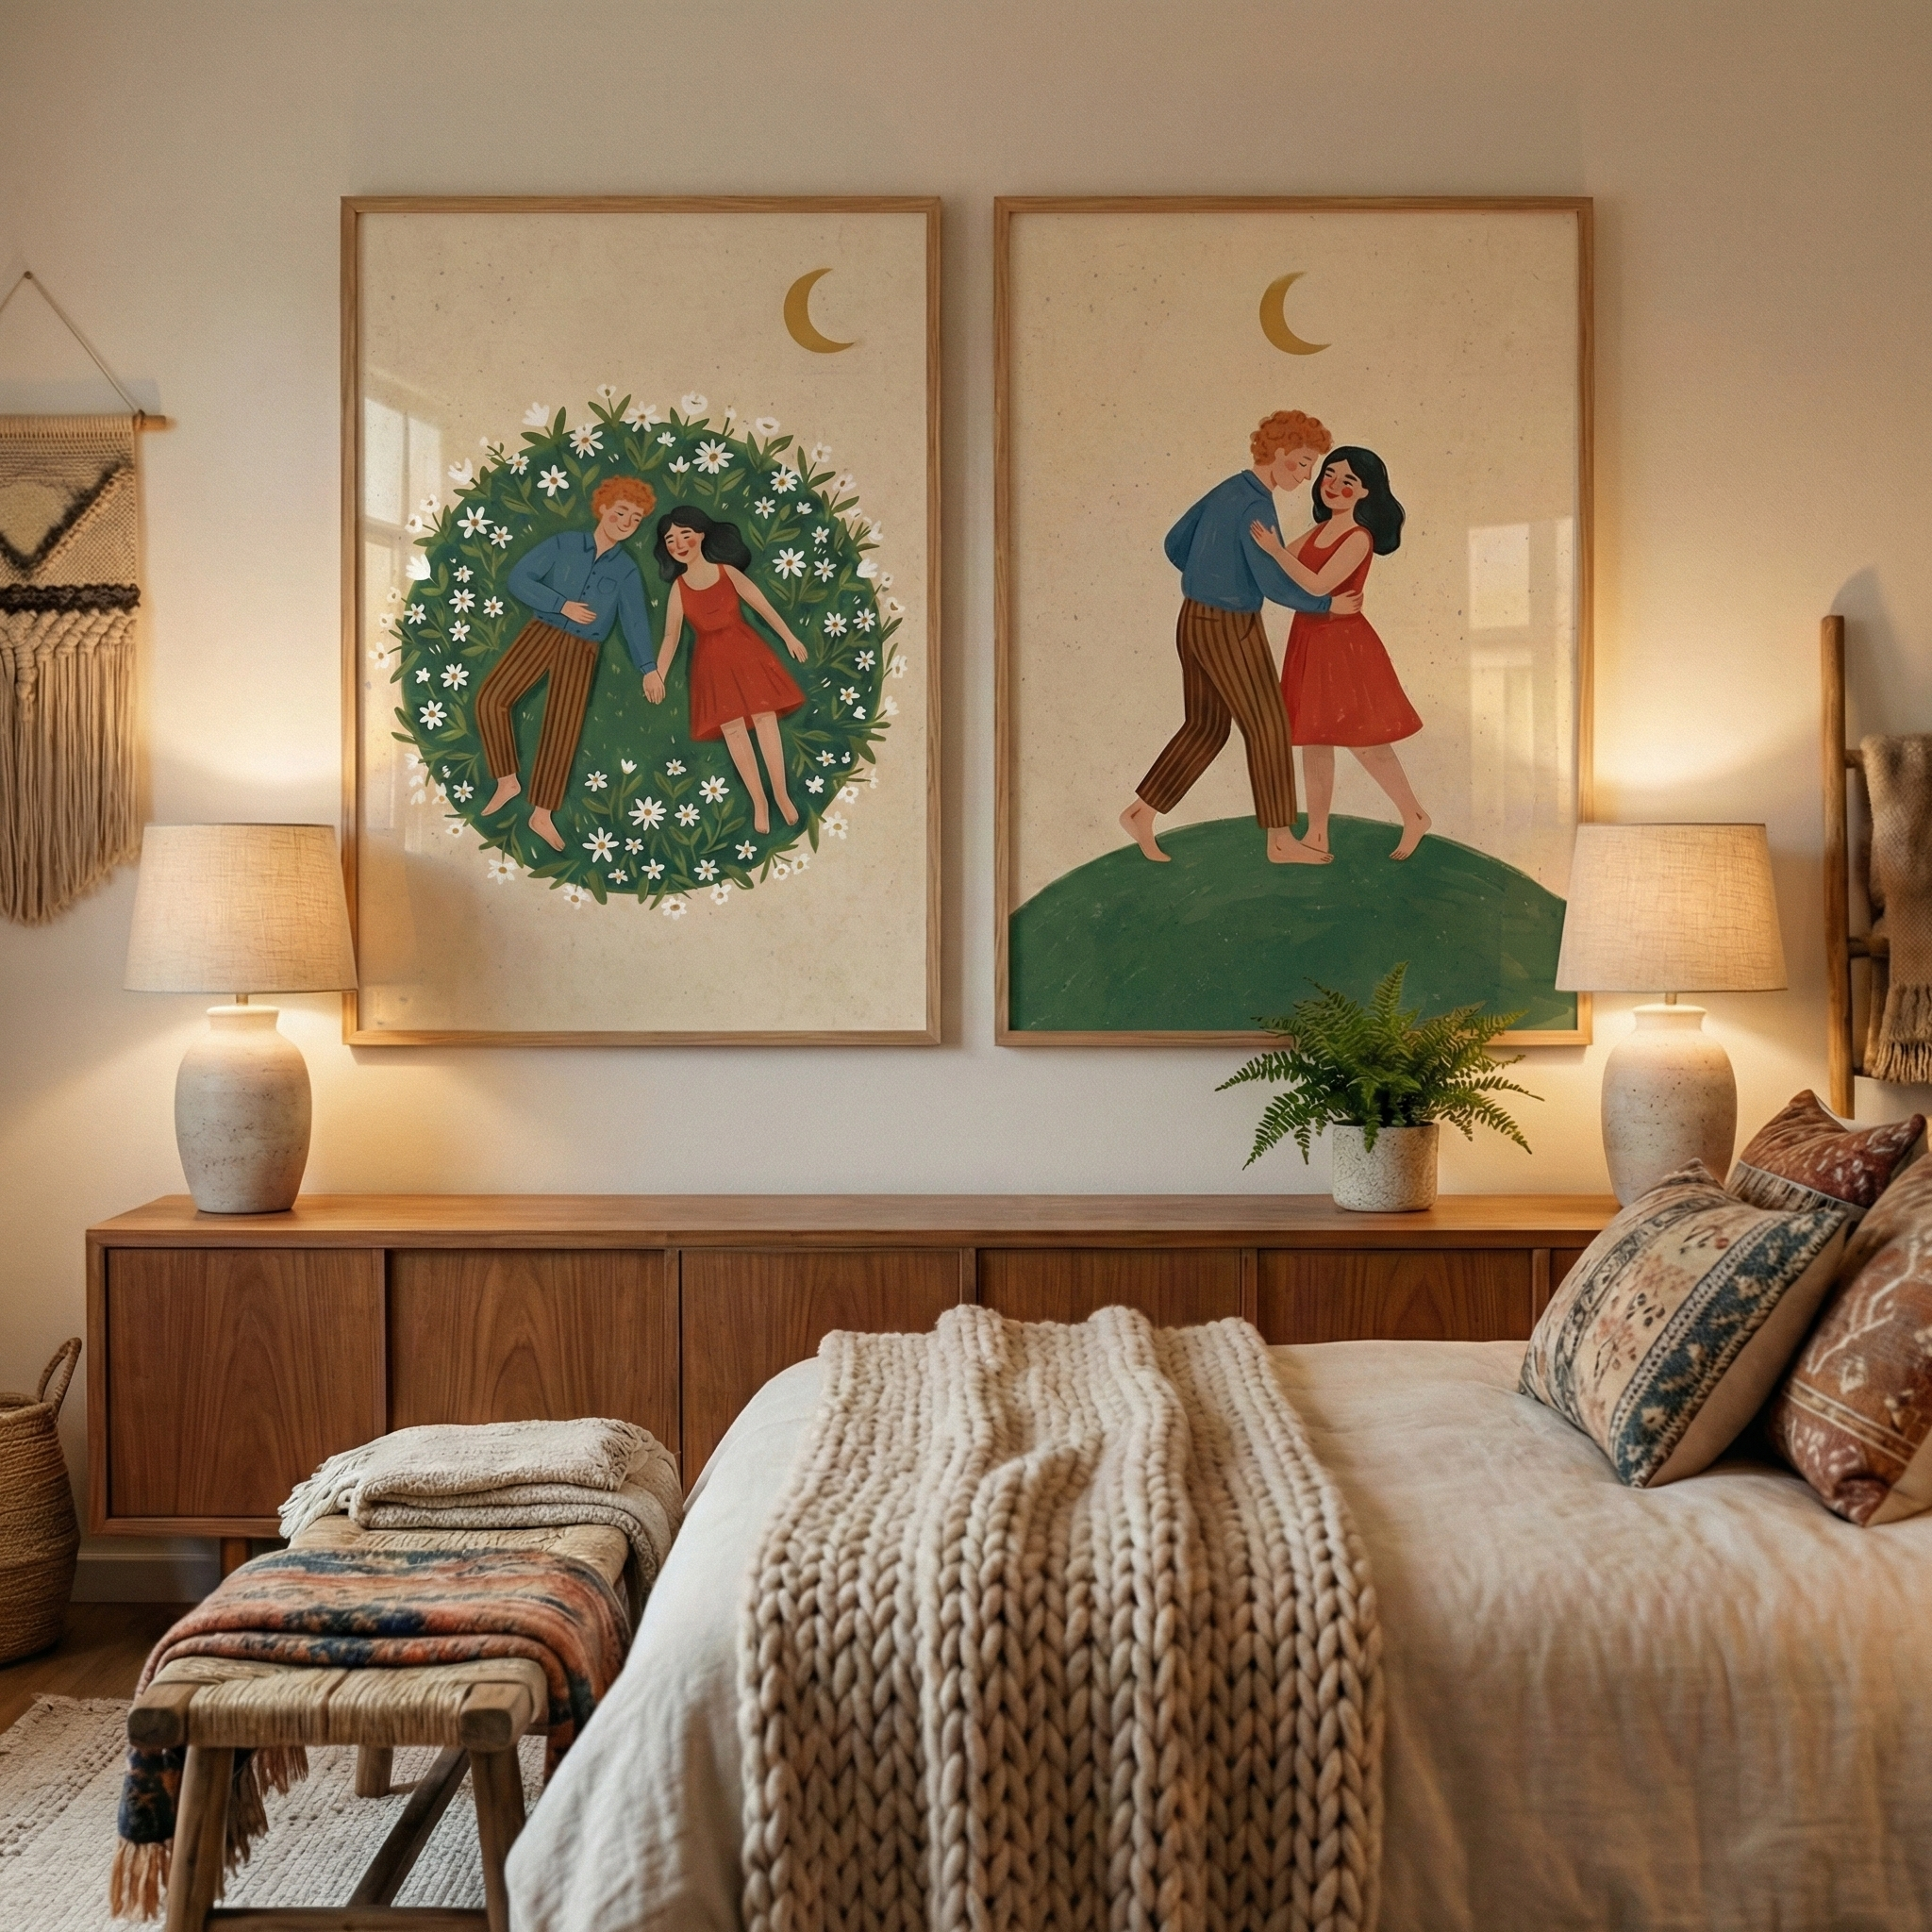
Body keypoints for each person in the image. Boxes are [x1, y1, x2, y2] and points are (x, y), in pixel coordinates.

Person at [1121, 409, 1362, 866]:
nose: (1309, 474)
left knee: (1206, 728)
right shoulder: (1256, 505)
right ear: (1280, 452)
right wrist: (1326, 605)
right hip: (1231, 626)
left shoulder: (1228, 488)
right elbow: (1272, 583)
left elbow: (1175, 543)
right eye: (1305, 463)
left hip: (1193, 618)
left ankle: (1141, 812)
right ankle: (1279, 841)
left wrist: (1206, 575)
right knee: (1269, 725)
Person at [1249, 445, 1430, 860]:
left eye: (1347, 481)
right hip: (1311, 640)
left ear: (1366, 491)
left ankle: (1414, 814)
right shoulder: (1318, 531)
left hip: (1345, 647)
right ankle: (1316, 833)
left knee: (1366, 741)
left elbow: (1315, 584)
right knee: (1315, 740)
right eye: (1329, 475)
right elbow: (1280, 569)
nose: (1333, 485)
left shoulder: (1358, 537)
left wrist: (1276, 551)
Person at [479, 475, 658, 851]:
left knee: (562, 727)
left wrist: (648, 668)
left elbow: (636, 621)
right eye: (621, 512)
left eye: (636, 518)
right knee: (491, 699)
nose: (626, 523)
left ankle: (541, 813)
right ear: (604, 508)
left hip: (583, 650)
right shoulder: (564, 544)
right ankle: (507, 779)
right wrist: (560, 604)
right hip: (541, 631)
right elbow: (519, 579)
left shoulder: (626, 570)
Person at [642, 506, 808, 836]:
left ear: (702, 534)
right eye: (671, 539)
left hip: (747, 653)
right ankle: (759, 802)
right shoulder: (679, 587)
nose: (679, 543)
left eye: (685, 534)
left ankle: (781, 794)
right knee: (733, 730)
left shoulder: (726, 572)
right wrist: (658, 672)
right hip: (711, 664)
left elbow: (761, 604)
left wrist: (788, 636)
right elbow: (671, 636)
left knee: (765, 720)